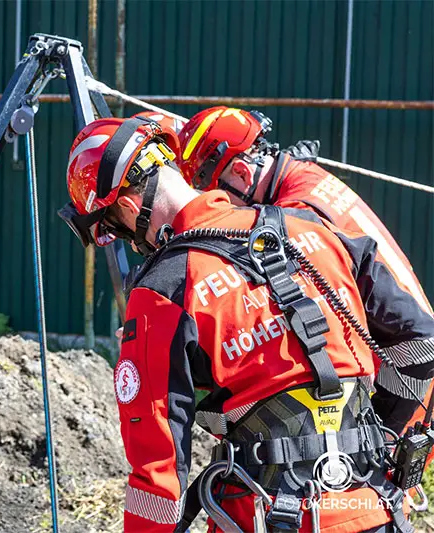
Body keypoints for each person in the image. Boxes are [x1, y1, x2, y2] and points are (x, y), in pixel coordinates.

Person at [60, 115, 434, 532]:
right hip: (372, 505)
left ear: (130, 209)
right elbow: (421, 343)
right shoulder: (312, 229)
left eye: (120, 231)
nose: (132, 245)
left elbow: (158, 473)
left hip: (264, 515)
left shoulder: (162, 290)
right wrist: (377, 438)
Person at [175, 106, 432, 316]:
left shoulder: (298, 213)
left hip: (397, 350)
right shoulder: (302, 176)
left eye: (219, 194)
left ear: (242, 173)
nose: (222, 204)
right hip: (411, 326)